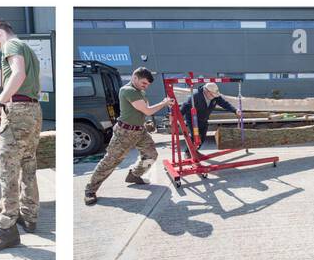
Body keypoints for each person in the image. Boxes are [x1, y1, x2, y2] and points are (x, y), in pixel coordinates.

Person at [0, 19, 42, 251]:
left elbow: (18, 74)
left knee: (7, 170)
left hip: (16, 112)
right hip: (33, 112)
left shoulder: (11, 45)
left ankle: (7, 229)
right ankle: (30, 216)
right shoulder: (29, 49)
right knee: (28, 164)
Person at [84, 67, 172, 205]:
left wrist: (146, 122)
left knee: (151, 155)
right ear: (134, 77)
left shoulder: (139, 91)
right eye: (144, 83)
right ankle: (90, 190)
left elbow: (141, 111)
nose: (146, 86)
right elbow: (147, 110)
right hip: (125, 133)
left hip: (139, 131)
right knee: (110, 161)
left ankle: (135, 175)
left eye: (148, 84)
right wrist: (164, 103)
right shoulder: (128, 90)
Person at [179, 81, 237, 152]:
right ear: (206, 91)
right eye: (212, 95)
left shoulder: (215, 96)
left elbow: (224, 104)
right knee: (195, 137)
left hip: (204, 119)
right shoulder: (195, 96)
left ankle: (195, 151)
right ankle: (188, 152)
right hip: (193, 120)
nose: (214, 97)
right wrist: (177, 117)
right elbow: (185, 106)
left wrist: (235, 110)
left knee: (202, 137)